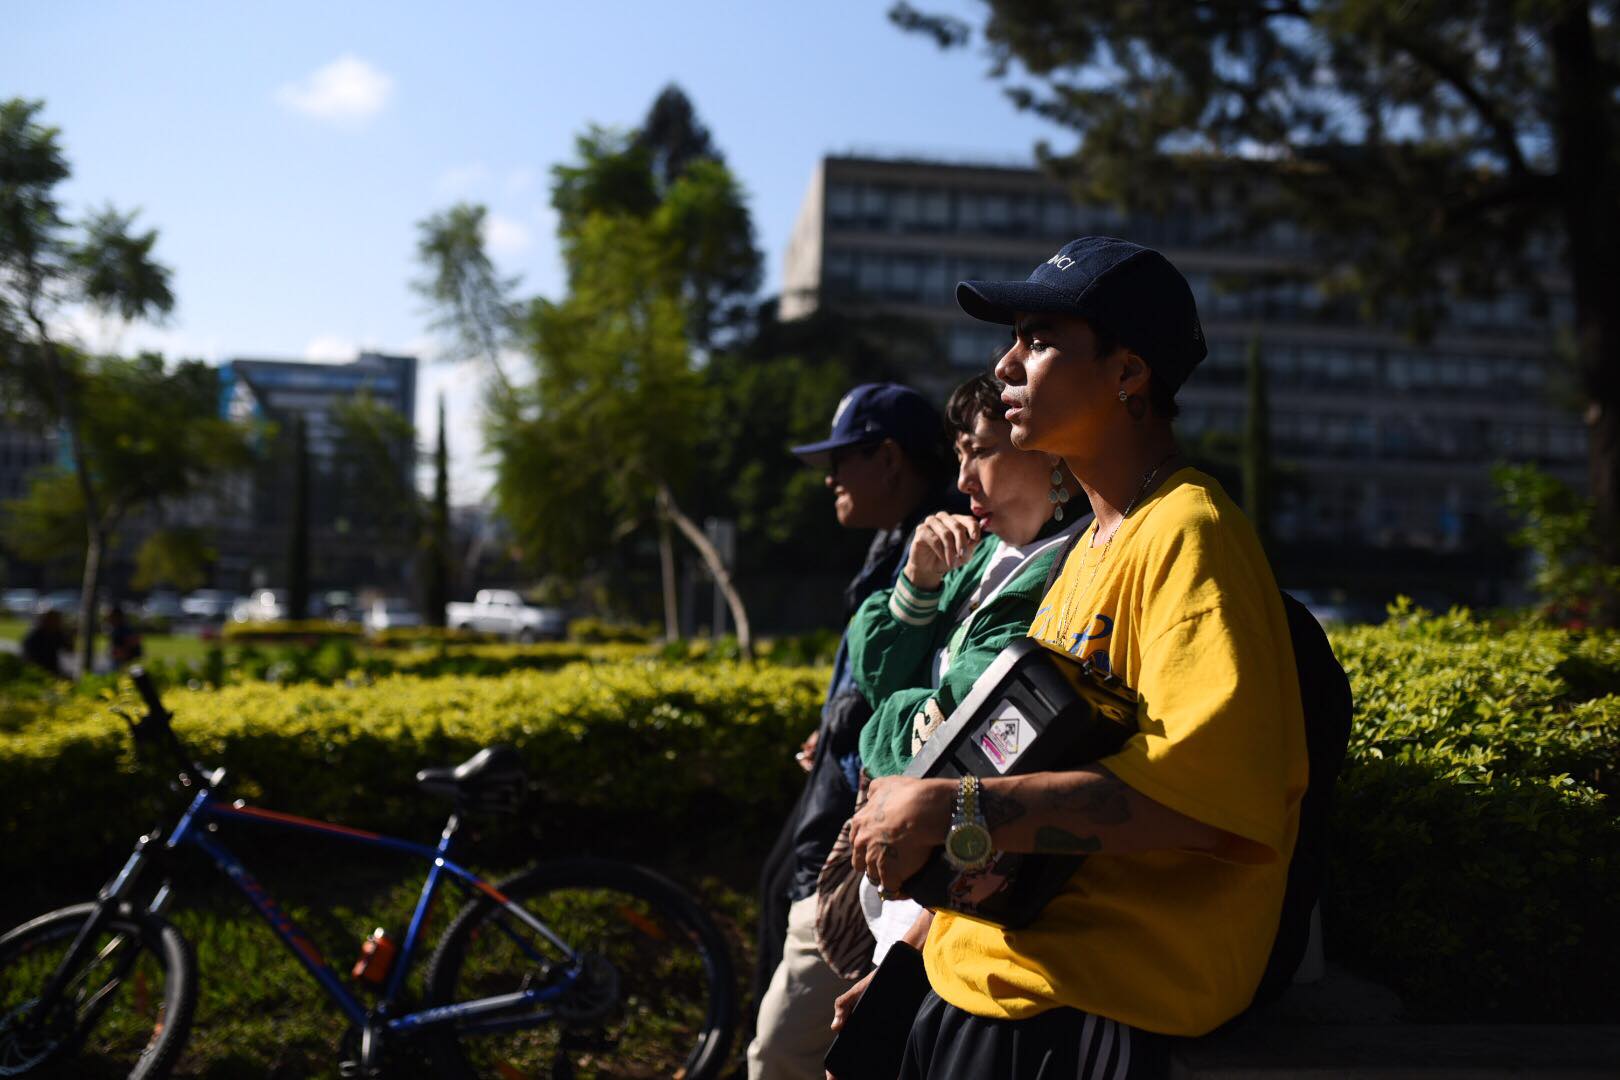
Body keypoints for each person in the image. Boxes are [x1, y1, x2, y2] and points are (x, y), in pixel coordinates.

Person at [841, 237, 1308, 1078]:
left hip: (1075, 1014)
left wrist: (948, 807)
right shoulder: (1093, 546)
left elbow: (1206, 804)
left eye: (1040, 339)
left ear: (1129, 374)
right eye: (1013, 338)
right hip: (983, 989)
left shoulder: (1188, 532)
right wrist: (909, 961)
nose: (1007, 363)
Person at [830, 372, 1087, 973]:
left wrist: (888, 722)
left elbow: (950, 734)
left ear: (1045, 448)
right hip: (917, 884)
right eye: (959, 456)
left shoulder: (1062, 568)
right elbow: (878, 678)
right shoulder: (983, 552)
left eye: (981, 451)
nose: (963, 479)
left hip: (960, 906)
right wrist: (918, 581)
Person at [748, 382, 954, 1080]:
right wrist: (834, 724)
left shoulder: (939, 546)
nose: (830, 478)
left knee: (785, 1050)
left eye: (842, 460)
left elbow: (913, 692)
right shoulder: (894, 543)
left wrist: (849, 730)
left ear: (889, 458)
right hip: (844, 824)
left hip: (864, 844)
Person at [21, 609, 69, 678]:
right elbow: (28, 658)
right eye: (55, 620)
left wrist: (68, 635)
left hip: (53, 669)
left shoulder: (58, 634)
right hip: (36, 670)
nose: (59, 623)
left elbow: (68, 648)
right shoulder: (35, 636)